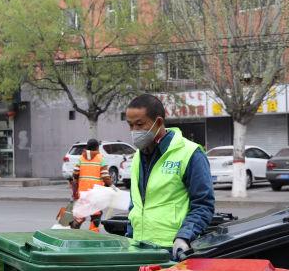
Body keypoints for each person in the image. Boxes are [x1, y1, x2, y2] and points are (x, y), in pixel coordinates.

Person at [125, 94, 215, 259]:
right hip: (138, 249)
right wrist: (129, 236)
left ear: (158, 122)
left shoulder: (190, 153)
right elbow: (135, 204)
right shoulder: (138, 156)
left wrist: (184, 236)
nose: (134, 131)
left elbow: (203, 204)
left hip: (171, 251)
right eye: (130, 125)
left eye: (139, 124)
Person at [71, 138, 112, 232]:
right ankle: (93, 234)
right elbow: (105, 176)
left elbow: (75, 174)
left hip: (83, 192)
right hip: (95, 193)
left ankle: (74, 229)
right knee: (96, 214)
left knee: (81, 213)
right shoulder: (101, 159)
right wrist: (111, 186)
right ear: (97, 148)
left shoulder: (81, 158)